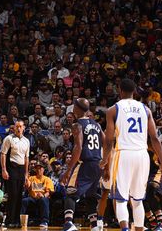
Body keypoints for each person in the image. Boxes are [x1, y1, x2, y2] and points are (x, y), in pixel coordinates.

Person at [101, 79, 162, 231]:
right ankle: (139, 228)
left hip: (124, 154)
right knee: (137, 199)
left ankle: (125, 229)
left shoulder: (113, 109)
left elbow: (109, 139)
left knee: (120, 200)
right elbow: (155, 138)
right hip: (142, 155)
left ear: (120, 90)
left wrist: (105, 159)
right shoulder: (146, 109)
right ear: (135, 92)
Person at [60, 98, 102, 231]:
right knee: (90, 195)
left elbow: (78, 148)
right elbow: (107, 142)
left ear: (76, 108)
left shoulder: (76, 125)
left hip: (85, 163)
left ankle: (68, 223)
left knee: (70, 192)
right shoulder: (97, 124)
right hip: (98, 164)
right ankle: (94, 225)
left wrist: (68, 170)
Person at [0, 120, 29, 228]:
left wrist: (26, 174)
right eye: (16, 126)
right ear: (14, 128)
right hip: (12, 167)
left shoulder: (26, 141)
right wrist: (4, 169)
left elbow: (27, 158)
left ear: (23, 128)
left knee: (19, 196)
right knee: (12, 195)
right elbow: (3, 154)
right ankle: (9, 220)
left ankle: (16, 220)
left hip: (21, 169)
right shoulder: (8, 139)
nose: (18, 128)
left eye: (20, 126)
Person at [21, 163, 54, 230]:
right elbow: (27, 186)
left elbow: (49, 192)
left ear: (43, 170)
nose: (38, 170)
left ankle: (44, 221)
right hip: (33, 198)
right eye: (37, 168)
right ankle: (21, 220)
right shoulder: (31, 178)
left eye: (40, 168)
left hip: (43, 198)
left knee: (43, 200)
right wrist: (26, 179)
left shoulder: (47, 179)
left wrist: (43, 195)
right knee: (24, 200)